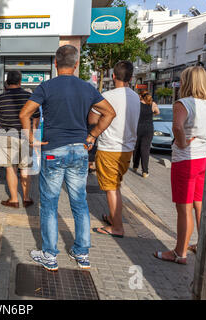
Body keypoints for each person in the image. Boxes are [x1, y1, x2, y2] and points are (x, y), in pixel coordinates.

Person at [20, 45, 116, 271]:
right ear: (76, 64)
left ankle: (49, 255)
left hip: (54, 150)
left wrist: (31, 139)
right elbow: (110, 112)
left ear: (55, 63)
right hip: (80, 150)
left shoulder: (46, 87)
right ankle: (82, 254)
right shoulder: (87, 88)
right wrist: (92, 136)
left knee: (50, 205)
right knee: (80, 203)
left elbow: (24, 113)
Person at [154, 66, 206, 264]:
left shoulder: (183, 103)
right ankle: (203, 247)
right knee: (199, 205)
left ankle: (180, 253)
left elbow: (177, 126)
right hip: (204, 159)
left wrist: (180, 142)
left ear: (186, 82)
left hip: (186, 159)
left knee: (184, 208)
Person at [89, 61, 141, 238]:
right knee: (116, 185)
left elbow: (93, 120)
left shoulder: (107, 96)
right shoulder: (135, 97)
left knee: (111, 188)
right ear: (131, 77)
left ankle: (117, 226)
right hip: (127, 149)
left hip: (109, 148)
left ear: (113, 76)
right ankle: (113, 217)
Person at [0, 70, 39, 208]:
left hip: (5, 137)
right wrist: (32, 135)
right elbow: (36, 117)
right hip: (25, 136)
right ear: (20, 81)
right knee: (25, 168)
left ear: (7, 82)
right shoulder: (29, 97)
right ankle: (26, 197)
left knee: (10, 168)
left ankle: (13, 200)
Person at [131, 90, 160, 178]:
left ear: (141, 96)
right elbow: (158, 112)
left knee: (136, 148)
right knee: (145, 150)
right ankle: (145, 171)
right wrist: (152, 113)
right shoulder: (153, 104)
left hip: (138, 128)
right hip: (148, 129)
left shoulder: (137, 104)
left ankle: (135, 166)